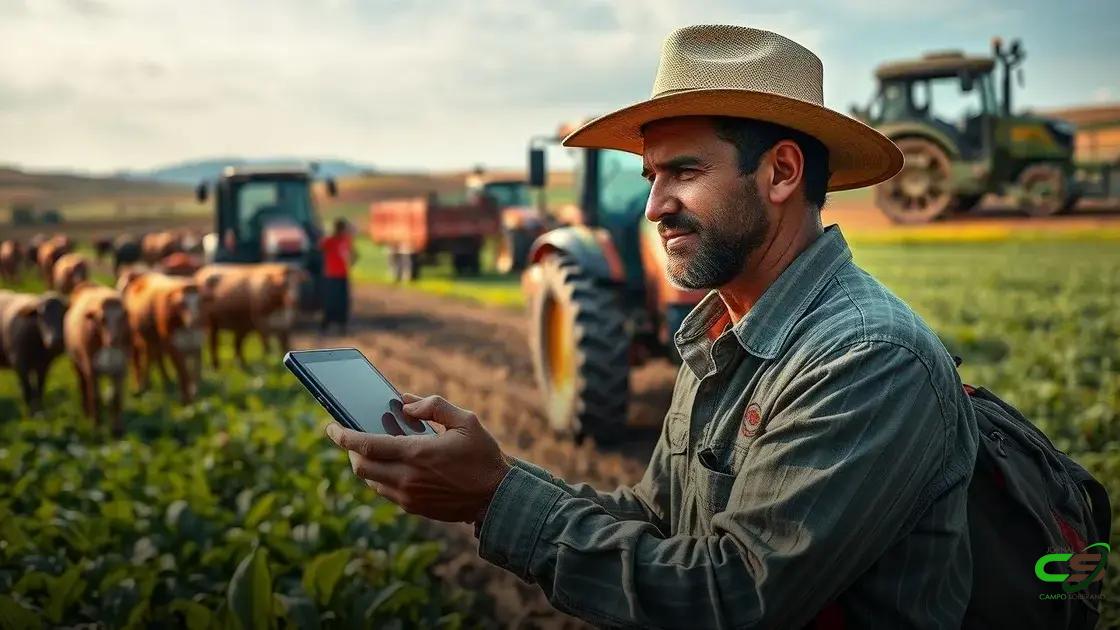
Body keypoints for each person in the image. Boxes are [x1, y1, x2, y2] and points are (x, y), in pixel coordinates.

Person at [326, 25, 979, 628]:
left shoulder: (866, 358)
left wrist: (494, 497)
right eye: (650, 176)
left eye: (685, 172)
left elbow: (732, 599)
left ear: (781, 172)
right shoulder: (724, 332)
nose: (654, 207)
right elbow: (658, 521)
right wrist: (490, 481)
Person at [319, 218, 356, 335]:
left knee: (343, 301)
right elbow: (320, 247)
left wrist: (351, 260)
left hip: (342, 274)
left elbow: (353, 253)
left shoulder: (346, 240)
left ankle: (342, 324)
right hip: (331, 275)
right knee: (331, 300)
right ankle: (326, 322)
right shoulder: (329, 241)